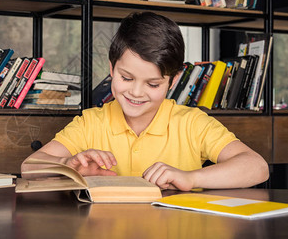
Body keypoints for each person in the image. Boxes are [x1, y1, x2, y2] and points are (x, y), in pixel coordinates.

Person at [21, 12, 269, 191]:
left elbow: (257, 167)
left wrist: (191, 178)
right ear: (111, 69)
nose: (137, 92)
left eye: (153, 84)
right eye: (126, 78)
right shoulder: (91, 123)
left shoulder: (192, 123)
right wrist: (67, 164)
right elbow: (29, 167)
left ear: (173, 80)